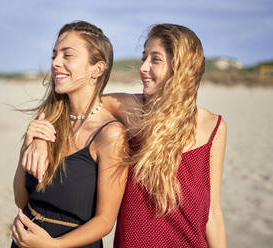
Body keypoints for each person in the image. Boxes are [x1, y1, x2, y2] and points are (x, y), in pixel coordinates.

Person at [23, 23, 227, 247]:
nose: (143, 68)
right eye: (144, 58)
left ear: (181, 67)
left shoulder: (214, 127)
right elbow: (73, 103)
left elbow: (213, 213)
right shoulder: (130, 109)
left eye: (155, 59)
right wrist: (42, 138)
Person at [11, 20, 128, 248]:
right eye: (54, 55)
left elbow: (105, 221)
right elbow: (21, 199)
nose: (55, 63)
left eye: (67, 55)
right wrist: (26, 148)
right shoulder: (47, 122)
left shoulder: (111, 135)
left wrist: (53, 245)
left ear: (98, 68)